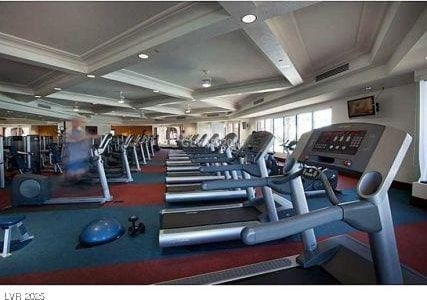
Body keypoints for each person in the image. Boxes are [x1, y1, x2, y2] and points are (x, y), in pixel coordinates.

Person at [62, 118, 95, 183]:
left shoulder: (81, 131)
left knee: (81, 170)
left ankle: (77, 181)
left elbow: (85, 143)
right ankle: (67, 182)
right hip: (73, 156)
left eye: (79, 122)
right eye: (76, 122)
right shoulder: (69, 131)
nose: (78, 124)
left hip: (81, 156)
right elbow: (70, 140)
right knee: (72, 172)